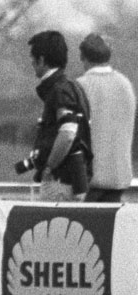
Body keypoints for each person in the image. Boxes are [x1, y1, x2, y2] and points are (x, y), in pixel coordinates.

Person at [26, 30, 93, 202]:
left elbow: (67, 133)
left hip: (59, 182)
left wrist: (49, 167)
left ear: (41, 59)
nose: (31, 63)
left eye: (33, 59)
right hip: (74, 180)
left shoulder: (58, 91)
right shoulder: (73, 87)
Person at [76, 33, 136, 203]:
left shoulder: (80, 86)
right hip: (119, 176)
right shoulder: (125, 84)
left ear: (83, 57)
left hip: (88, 179)